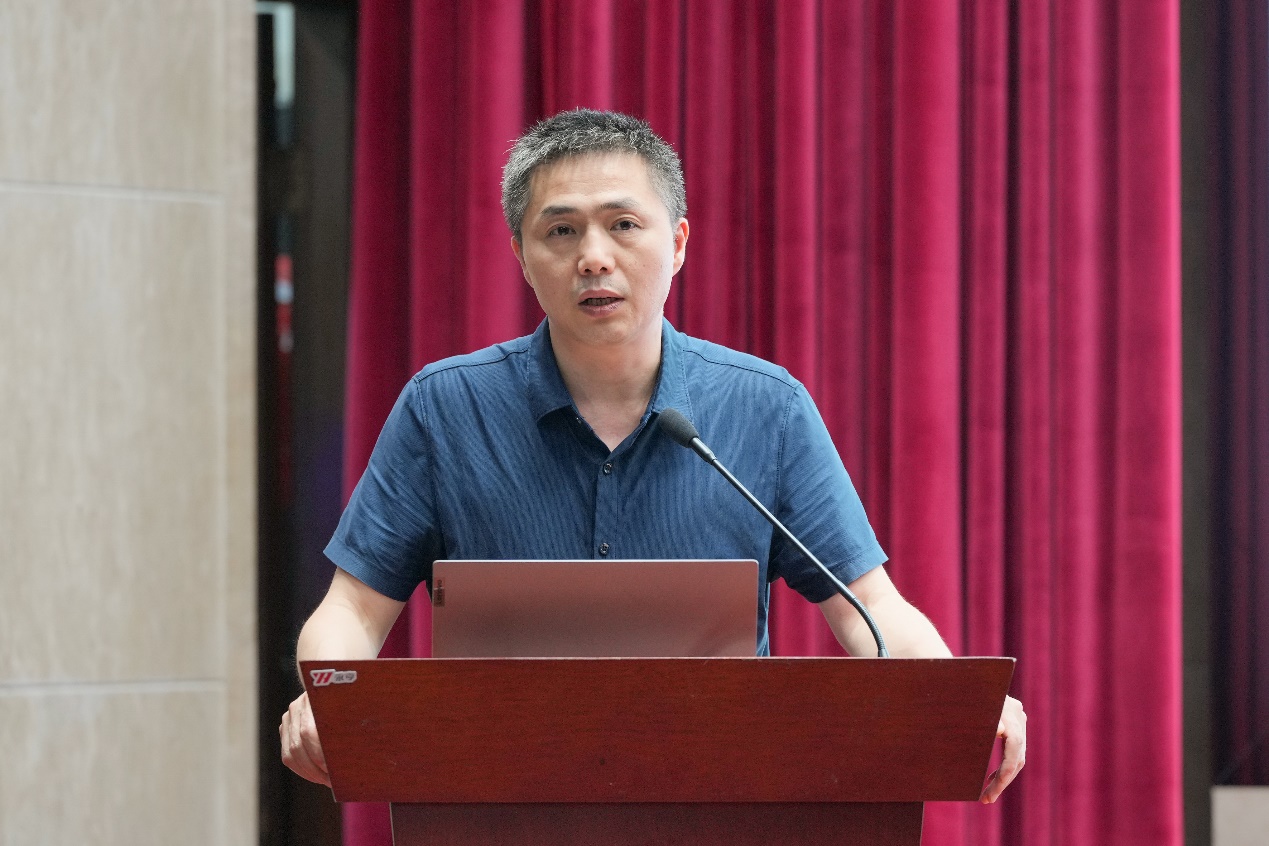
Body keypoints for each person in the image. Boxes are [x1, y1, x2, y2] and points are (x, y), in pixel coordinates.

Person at [280, 109, 1026, 802]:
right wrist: (327, 692)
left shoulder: (765, 408)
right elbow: (352, 608)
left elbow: (871, 609)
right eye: (561, 231)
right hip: (498, 804)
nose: (593, 258)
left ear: (677, 243)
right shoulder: (445, 408)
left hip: (718, 804)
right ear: (521, 256)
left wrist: (957, 702)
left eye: (623, 225)